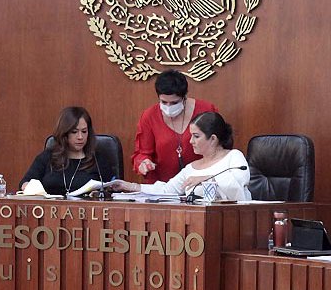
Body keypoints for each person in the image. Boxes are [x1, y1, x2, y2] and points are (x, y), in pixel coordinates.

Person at [111, 112, 251, 201]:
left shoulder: (234, 157)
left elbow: (237, 188)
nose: (191, 141)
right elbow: (166, 191)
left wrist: (208, 178)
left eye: (196, 136)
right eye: (191, 136)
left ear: (213, 139)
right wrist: (130, 186)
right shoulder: (191, 168)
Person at [131, 69, 219, 183]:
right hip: (162, 186)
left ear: (184, 97)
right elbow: (142, 154)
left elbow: (219, 148)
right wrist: (144, 162)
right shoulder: (149, 116)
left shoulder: (206, 110)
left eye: (174, 103)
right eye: (163, 102)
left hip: (200, 182)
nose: (168, 107)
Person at [19, 107, 116, 196]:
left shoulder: (98, 161)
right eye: (74, 132)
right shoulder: (47, 157)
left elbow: (112, 189)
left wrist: (103, 192)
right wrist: (32, 189)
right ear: (64, 134)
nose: (80, 137)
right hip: (51, 208)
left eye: (84, 131)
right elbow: (24, 183)